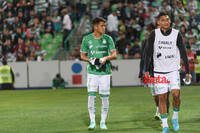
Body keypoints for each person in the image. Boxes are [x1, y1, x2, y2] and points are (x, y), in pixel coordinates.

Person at [144, 12, 191, 133]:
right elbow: (148, 52)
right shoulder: (154, 34)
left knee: (176, 95)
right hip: (159, 72)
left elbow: (183, 52)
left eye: (168, 20)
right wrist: (146, 70)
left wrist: (187, 70)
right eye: (163, 20)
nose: (167, 22)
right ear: (158, 22)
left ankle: (175, 117)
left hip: (173, 71)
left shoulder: (176, 34)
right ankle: (165, 125)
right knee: (162, 97)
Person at [80, 17, 116, 130]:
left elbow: (114, 54)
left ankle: (103, 122)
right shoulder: (87, 39)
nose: (104, 27)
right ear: (95, 26)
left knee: (105, 98)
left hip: (105, 72)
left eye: (105, 25)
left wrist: (105, 58)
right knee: (91, 97)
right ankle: (92, 122)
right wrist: (91, 60)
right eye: (102, 25)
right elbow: (82, 55)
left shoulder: (108, 38)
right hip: (92, 72)